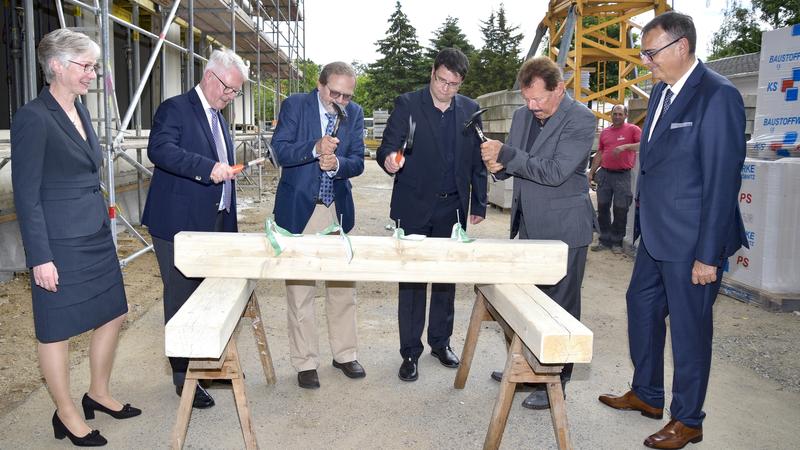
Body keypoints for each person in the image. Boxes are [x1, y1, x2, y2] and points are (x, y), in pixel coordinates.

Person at [597, 12, 748, 449]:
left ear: (681, 47)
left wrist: (708, 253)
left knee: (689, 329)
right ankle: (647, 394)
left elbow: (723, 180)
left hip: (693, 240)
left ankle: (689, 419)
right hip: (657, 236)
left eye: (651, 52)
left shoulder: (717, 96)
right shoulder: (663, 91)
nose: (646, 61)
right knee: (640, 306)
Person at [11, 28, 140, 447]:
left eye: (94, 66)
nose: (92, 74)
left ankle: (98, 392)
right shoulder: (33, 117)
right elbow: (26, 195)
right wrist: (39, 257)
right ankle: (66, 413)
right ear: (56, 66)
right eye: (86, 66)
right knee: (56, 330)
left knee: (114, 312)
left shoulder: (80, 111)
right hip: (59, 244)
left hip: (94, 234)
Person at [480, 56, 596, 409]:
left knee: (560, 306)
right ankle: (527, 366)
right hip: (529, 225)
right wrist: (497, 166)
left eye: (538, 100)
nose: (531, 107)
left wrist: (509, 156)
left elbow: (556, 171)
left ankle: (555, 380)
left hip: (565, 228)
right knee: (528, 305)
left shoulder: (581, 119)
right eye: (526, 99)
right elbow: (513, 167)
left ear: (559, 89)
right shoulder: (521, 116)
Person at [142, 49, 246, 409]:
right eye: (229, 90)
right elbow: (161, 150)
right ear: (210, 77)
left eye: (236, 93)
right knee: (182, 299)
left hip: (214, 222)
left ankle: (208, 366)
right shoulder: (176, 108)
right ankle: (183, 377)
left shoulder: (218, 116)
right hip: (178, 224)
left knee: (210, 299)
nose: (231, 97)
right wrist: (209, 167)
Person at [377, 48, 487, 382]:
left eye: (454, 84)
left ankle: (440, 343)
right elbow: (387, 147)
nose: (446, 89)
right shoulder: (408, 105)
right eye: (442, 80)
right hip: (413, 204)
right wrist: (390, 161)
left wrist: (478, 204)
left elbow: (477, 162)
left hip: (452, 206)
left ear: (461, 82)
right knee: (411, 282)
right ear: (432, 73)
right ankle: (410, 351)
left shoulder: (470, 110)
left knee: (445, 280)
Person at [271, 61, 366, 389]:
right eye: (335, 93)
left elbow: (358, 160)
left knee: (342, 287)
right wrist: (314, 148)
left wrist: (338, 163)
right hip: (301, 208)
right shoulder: (295, 105)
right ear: (319, 85)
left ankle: (345, 354)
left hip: (335, 208)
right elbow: (279, 151)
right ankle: (305, 362)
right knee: (301, 289)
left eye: (347, 96)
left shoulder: (354, 113)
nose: (341, 101)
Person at [589, 104, 641, 253]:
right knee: (603, 207)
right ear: (611, 115)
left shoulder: (633, 130)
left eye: (620, 114)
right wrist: (592, 172)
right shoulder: (605, 132)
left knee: (621, 208)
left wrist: (625, 147)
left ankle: (617, 241)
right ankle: (604, 240)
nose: (617, 116)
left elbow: (642, 144)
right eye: (615, 114)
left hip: (622, 176)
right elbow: (599, 153)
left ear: (625, 116)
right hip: (605, 174)